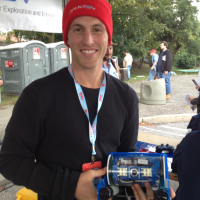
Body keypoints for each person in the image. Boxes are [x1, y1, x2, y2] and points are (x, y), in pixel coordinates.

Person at [0, 0, 139, 200]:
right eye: (78, 29)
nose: (88, 40)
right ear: (67, 38)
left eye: (97, 29)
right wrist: (71, 185)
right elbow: (11, 161)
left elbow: (127, 160)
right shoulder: (38, 95)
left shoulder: (126, 97)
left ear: (109, 38)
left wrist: (144, 187)